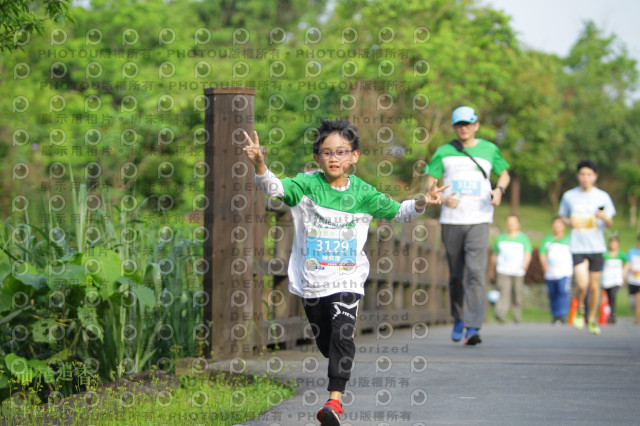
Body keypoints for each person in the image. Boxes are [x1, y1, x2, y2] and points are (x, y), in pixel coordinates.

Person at [242, 119, 447, 426]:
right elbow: (275, 188)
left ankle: (334, 401)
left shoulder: (364, 193)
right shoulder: (306, 185)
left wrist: (422, 202)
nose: (334, 158)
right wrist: (260, 164)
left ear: (354, 156)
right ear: (317, 158)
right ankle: (332, 359)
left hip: (348, 278)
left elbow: (400, 211)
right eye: (327, 153)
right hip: (312, 282)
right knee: (327, 343)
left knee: (343, 332)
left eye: (341, 152)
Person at [425, 106, 510, 345]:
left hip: (480, 219)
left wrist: (499, 190)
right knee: (455, 275)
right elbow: (430, 183)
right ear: (454, 127)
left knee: (476, 272)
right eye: (459, 124)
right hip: (452, 220)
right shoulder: (444, 151)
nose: (464, 127)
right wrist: (440, 197)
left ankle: (473, 327)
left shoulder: (489, 149)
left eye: (468, 123)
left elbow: (504, 173)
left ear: (476, 125)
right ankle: (458, 318)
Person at [559, 159, 615, 335]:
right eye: (582, 174)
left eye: (589, 174)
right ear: (578, 176)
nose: (585, 178)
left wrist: (603, 217)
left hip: (597, 247)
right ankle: (580, 308)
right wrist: (570, 222)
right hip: (578, 246)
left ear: (595, 176)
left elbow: (610, 222)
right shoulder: (569, 196)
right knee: (582, 285)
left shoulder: (603, 196)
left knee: (594, 286)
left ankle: (592, 319)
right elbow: (563, 217)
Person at [490, 215, 532, 323]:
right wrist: (492, 268)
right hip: (503, 270)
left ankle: (517, 316)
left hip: (518, 271)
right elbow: (495, 254)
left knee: (517, 293)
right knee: (504, 292)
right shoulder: (501, 238)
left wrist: (525, 264)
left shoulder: (523, 238)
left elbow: (528, 252)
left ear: (518, 225)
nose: (511, 225)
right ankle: (500, 314)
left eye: (513, 223)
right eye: (509, 222)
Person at [539, 216, 573, 325]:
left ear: (563, 226)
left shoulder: (569, 239)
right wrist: (544, 264)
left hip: (564, 272)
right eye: (555, 224)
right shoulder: (547, 239)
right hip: (550, 272)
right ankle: (555, 315)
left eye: (559, 224)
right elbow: (542, 253)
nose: (557, 227)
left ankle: (562, 314)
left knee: (563, 292)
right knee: (552, 294)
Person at [601, 236, 626, 324]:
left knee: (612, 295)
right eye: (612, 242)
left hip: (616, 279)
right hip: (606, 279)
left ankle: (612, 314)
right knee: (606, 297)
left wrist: (625, 273)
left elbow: (626, 264)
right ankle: (605, 314)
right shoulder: (605, 254)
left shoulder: (621, 254)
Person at [623, 234, 640, 324]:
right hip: (632, 280)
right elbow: (627, 264)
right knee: (632, 303)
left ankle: (636, 319)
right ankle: (635, 311)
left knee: (638, 301)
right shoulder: (632, 252)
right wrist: (625, 272)